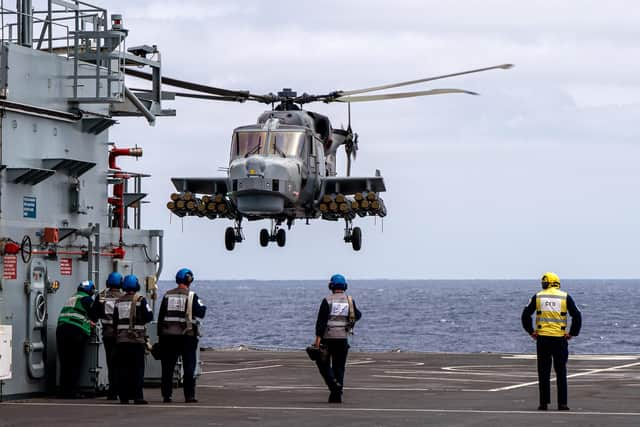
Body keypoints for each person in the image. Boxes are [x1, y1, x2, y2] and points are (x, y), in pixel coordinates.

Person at [521, 272, 582, 411]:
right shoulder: (565, 297)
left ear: (547, 283)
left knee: (543, 372)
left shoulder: (538, 296)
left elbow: (525, 315)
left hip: (542, 339)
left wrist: (531, 331)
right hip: (559, 339)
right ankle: (562, 404)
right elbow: (577, 316)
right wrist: (572, 333)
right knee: (561, 372)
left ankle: (543, 403)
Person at [158, 268, 207, 403]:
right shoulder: (191, 296)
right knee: (189, 367)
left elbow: (161, 317)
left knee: (167, 368)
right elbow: (201, 312)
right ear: (189, 280)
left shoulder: (167, 295)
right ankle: (189, 396)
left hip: (168, 337)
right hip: (187, 337)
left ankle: (166, 395)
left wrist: (160, 337)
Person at [312, 273, 361, 403]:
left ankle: (334, 386)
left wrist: (317, 340)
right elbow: (357, 315)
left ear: (331, 286)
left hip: (327, 338)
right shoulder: (350, 300)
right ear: (345, 286)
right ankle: (336, 395)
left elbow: (321, 322)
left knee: (323, 365)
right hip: (342, 339)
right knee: (339, 367)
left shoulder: (327, 300)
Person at [112, 274, 153, 404]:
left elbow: (114, 321)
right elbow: (149, 317)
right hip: (136, 341)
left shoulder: (119, 301)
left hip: (121, 341)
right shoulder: (141, 300)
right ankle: (137, 396)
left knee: (123, 369)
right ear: (136, 286)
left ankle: (123, 397)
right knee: (137, 369)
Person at [56, 280, 99, 398]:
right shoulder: (86, 299)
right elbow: (95, 315)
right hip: (75, 331)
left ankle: (63, 391)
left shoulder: (72, 298)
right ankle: (71, 392)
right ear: (90, 291)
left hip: (61, 330)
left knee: (65, 363)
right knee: (74, 362)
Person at [95, 271, 124, 400]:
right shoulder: (124, 297)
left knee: (111, 364)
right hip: (122, 336)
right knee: (122, 364)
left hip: (107, 335)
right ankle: (122, 390)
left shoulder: (101, 296)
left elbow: (93, 313)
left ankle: (112, 392)